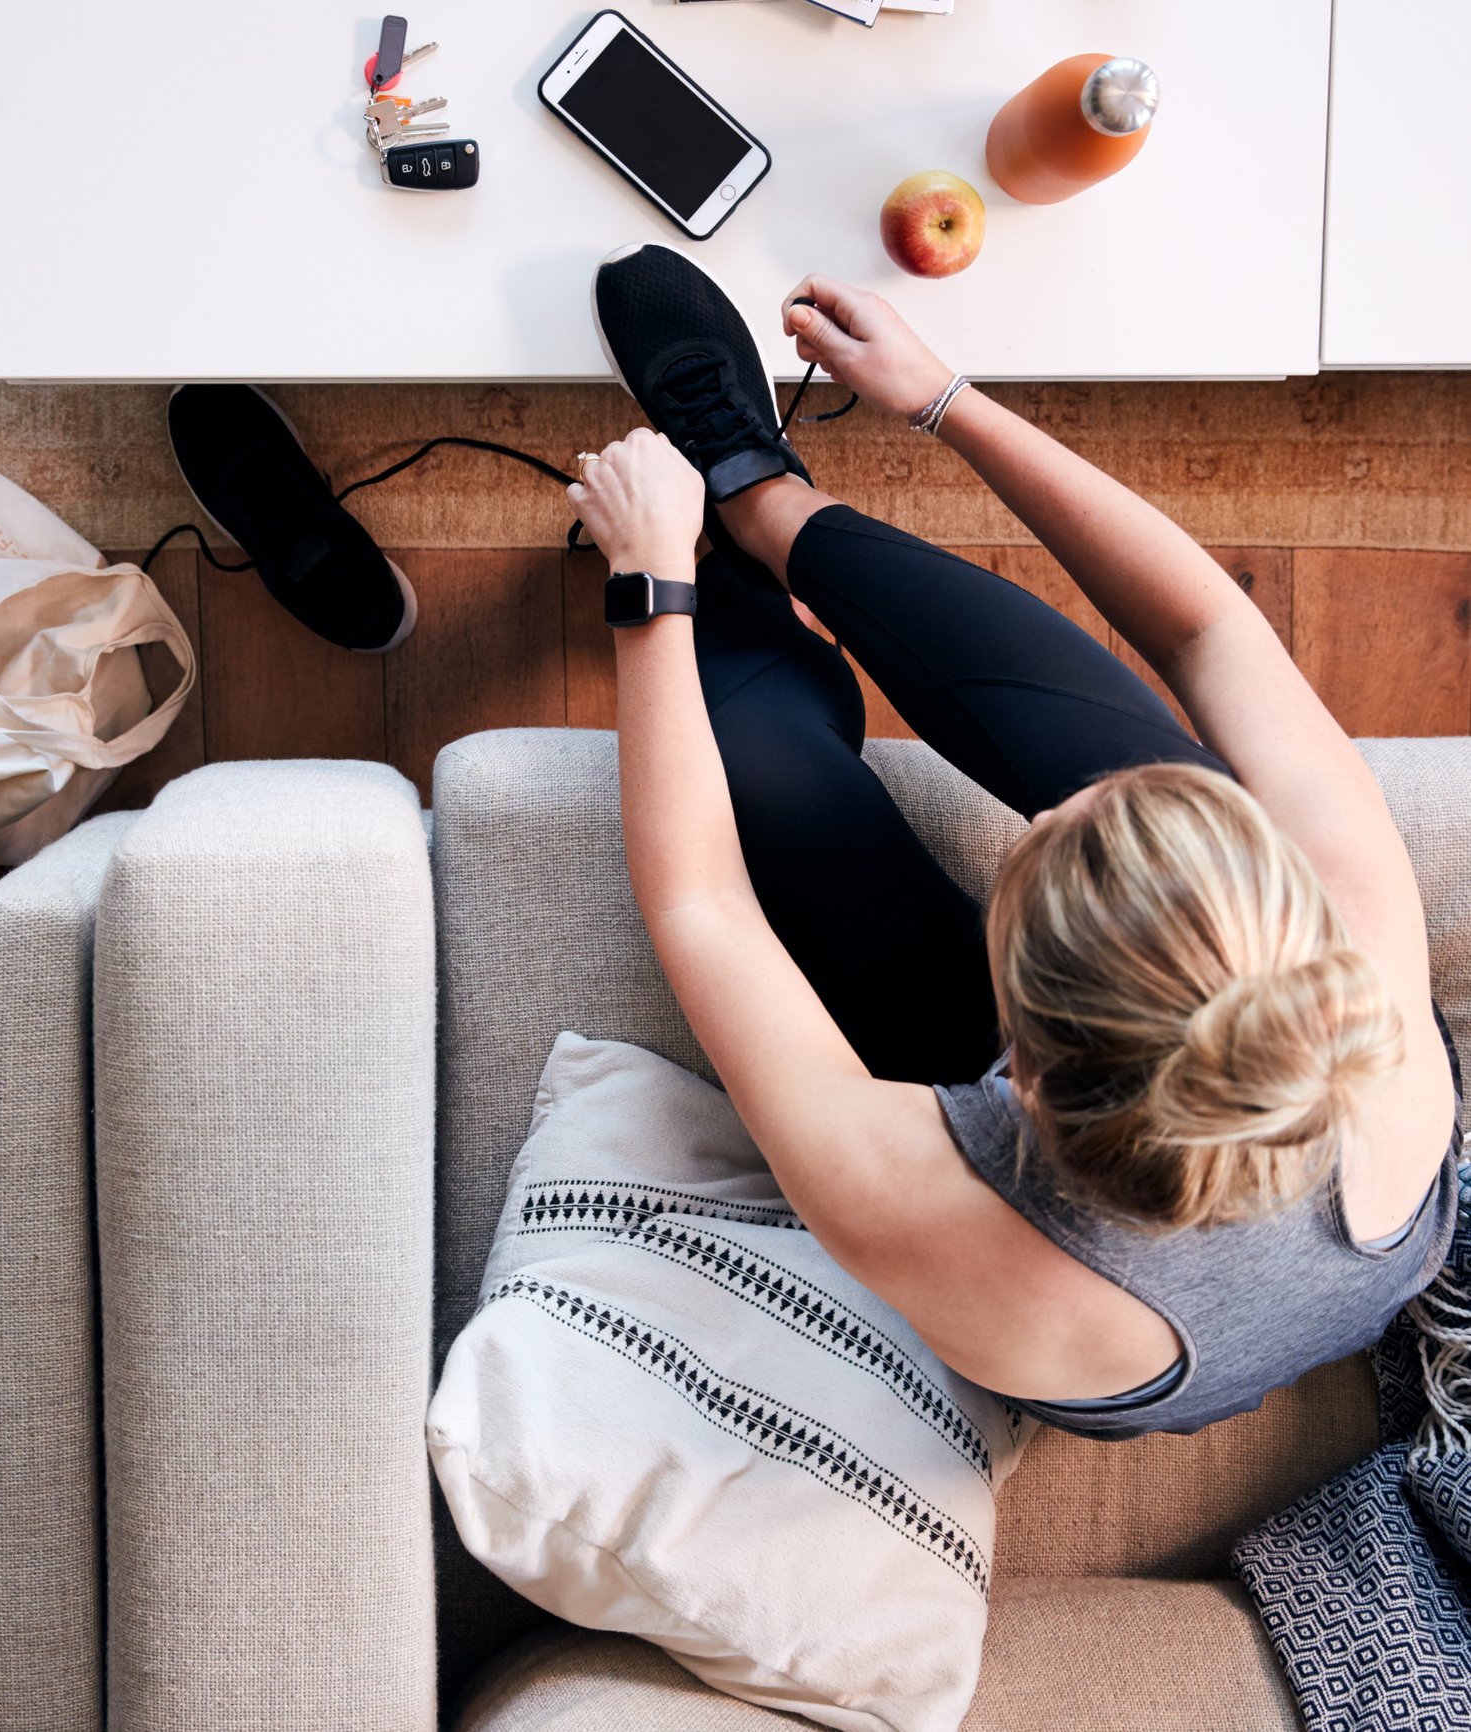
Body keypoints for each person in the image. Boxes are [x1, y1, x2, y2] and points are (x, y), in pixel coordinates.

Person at [568, 243, 1462, 1439]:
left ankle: (722, 586)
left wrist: (649, 586)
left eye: (1041, 845)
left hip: (1105, 1266)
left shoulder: (930, 1206)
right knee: (1047, 706)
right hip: (1184, 1107)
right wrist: (942, 397)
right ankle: (759, 496)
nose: (1045, 802)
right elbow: (1206, 627)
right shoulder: (1358, 951)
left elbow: (700, 903)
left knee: (762, 768)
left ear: (1016, 1073)